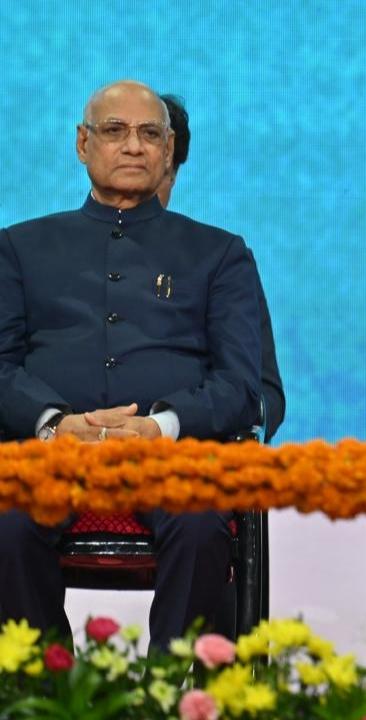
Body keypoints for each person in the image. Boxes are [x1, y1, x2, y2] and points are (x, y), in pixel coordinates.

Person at [0, 80, 262, 648]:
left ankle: (166, 695)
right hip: (51, 457)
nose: (133, 147)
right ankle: (49, 696)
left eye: (149, 134)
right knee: (8, 524)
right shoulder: (19, 248)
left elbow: (242, 384)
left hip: (172, 458)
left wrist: (158, 427)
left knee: (200, 524)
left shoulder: (219, 253)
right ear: (82, 143)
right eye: (114, 131)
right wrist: (55, 424)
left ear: (169, 151)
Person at [156, 93, 286, 441]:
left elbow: (266, 395)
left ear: (172, 167)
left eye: (161, 175)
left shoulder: (221, 258)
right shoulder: (38, 253)